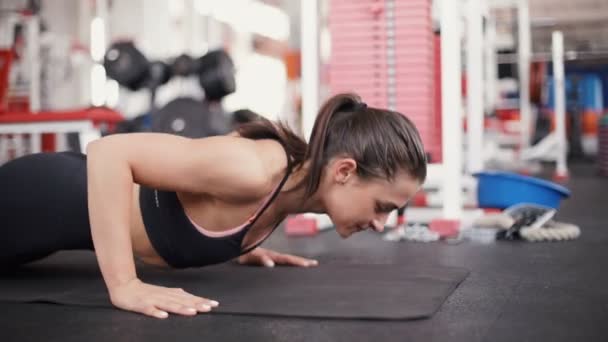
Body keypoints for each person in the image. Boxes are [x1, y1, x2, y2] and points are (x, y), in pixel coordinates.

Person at [0, 93, 427, 319]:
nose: (380, 223)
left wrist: (240, 242)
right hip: (39, 195)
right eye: (381, 206)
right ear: (345, 171)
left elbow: (198, 213)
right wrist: (124, 285)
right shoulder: (253, 171)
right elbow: (109, 153)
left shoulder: (290, 193)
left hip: (41, 232)